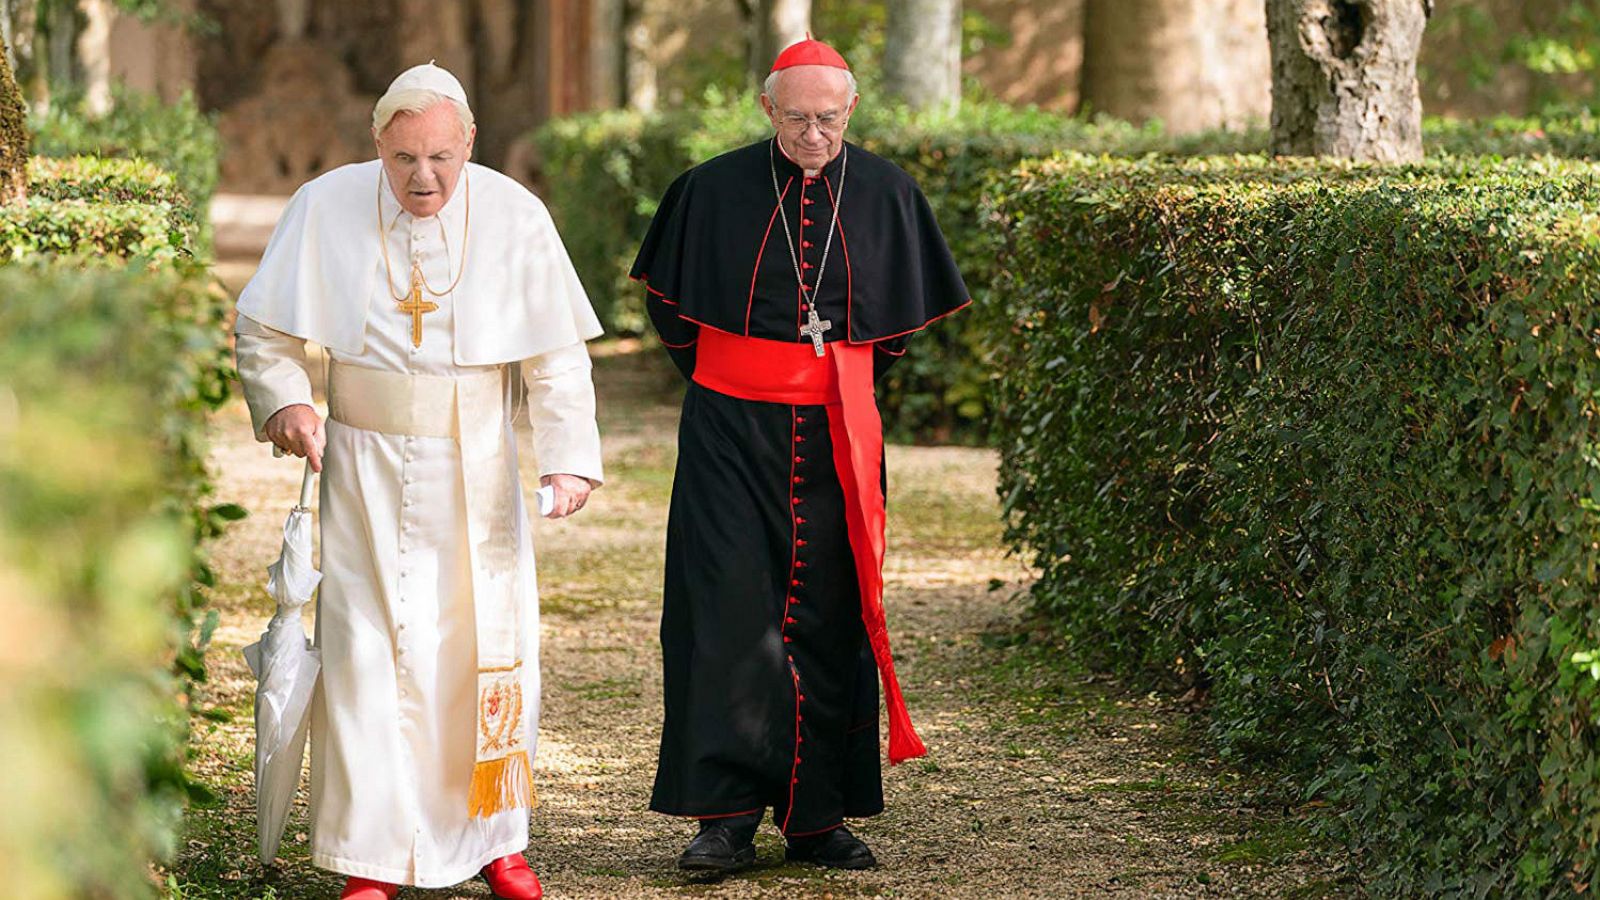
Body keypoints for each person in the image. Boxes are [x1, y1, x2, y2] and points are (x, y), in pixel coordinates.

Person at [232, 62, 604, 900]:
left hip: (479, 470)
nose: (423, 178)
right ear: (378, 144)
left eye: (441, 156)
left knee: (483, 653)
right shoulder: (324, 205)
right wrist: (288, 402)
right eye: (404, 159)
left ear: (468, 141)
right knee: (369, 657)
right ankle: (372, 857)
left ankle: (494, 838)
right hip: (361, 467)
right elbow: (262, 330)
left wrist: (569, 456)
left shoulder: (515, 215)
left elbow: (555, 357)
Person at [630, 37, 970, 875]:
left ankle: (817, 816)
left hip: (836, 433)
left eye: (828, 118)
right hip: (728, 434)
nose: (813, 134)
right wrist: (746, 380)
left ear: (850, 111)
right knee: (724, 614)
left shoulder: (888, 192)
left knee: (829, 612)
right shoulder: (708, 190)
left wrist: (826, 379)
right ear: (766, 110)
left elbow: (891, 335)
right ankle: (727, 816)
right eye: (796, 118)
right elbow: (672, 317)